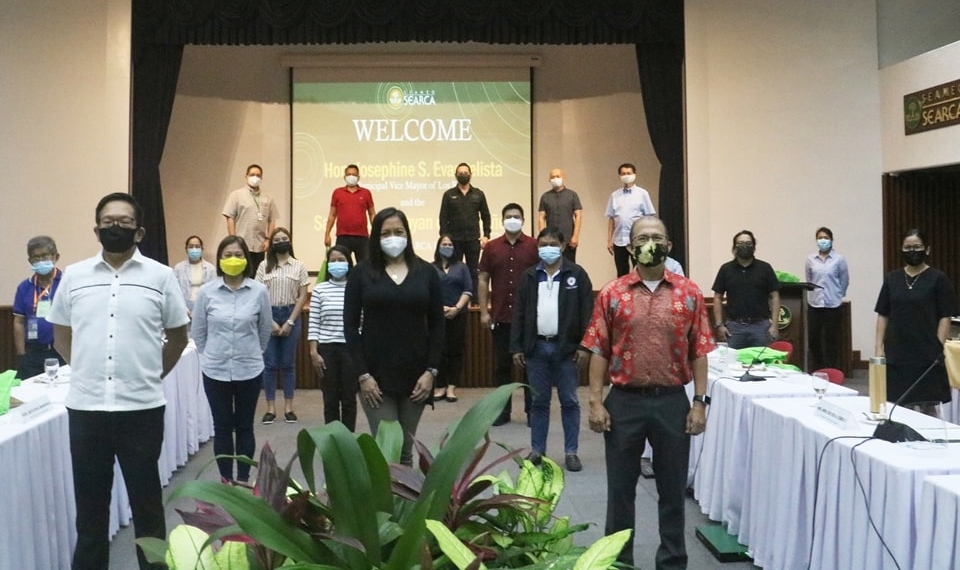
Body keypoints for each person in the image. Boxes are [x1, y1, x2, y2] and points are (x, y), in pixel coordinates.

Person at [47, 192, 190, 570]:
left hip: (141, 410)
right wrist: (86, 368)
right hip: (87, 410)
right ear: (96, 230)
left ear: (139, 231)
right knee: (90, 514)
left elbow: (177, 338)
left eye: (124, 222)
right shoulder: (75, 276)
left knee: (147, 507)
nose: (115, 227)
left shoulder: (161, 276)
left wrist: (149, 373)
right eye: (108, 222)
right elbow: (62, 334)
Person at [583, 216, 712, 569]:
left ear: (669, 245)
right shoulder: (612, 293)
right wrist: (595, 401)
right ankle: (618, 562)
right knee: (620, 494)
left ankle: (671, 562)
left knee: (672, 494)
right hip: (623, 402)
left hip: (672, 401)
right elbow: (599, 350)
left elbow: (699, 350)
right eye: (642, 237)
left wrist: (699, 403)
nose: (650, 243)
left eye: (657, 237)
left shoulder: (690, 293)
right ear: (630, 246)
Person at [344, 207, 444, 465]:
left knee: (406, 450)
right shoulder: (361, 273)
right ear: (376, 237)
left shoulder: (427, 272)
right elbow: (350, 326)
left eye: (398, 232)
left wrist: (431, 372)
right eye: (385, 233)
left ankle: (405, 505)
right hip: (374, 376)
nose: (393, 237)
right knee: (387, 449)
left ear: (408, 234)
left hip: (417, 375)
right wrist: (363, 375)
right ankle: (384, 504)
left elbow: (437, 325)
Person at [510, 227, 593, 472]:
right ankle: (537, 450)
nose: (547, 248)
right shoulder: (529, 276)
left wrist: (585, 346)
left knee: (569, 401)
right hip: (536, 349)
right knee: (538, 402)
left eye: (552, 244)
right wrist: (516, 347)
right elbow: (519, 314)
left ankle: (571, 452)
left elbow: (588, 314)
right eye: (542, 244)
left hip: (567, 350)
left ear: (563, 245)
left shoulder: (577, 275)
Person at [192, 236, 272, 482]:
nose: (233, 259)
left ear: (246, 259)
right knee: (223, 428)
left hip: (249, 369)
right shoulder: (207, 292)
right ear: (219, 259)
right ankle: (227, 482)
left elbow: (264, 329)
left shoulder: (259, 291)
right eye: (227, 255)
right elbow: (199, 331)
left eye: (238, 254)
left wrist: (251, 352)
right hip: (215, 371)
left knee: (245, 426)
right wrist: (211, 356)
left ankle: (244, 480)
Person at [874, 228, 956, 416]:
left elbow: (946, 315)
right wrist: (879, 348)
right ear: (901, 250)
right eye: (907, 247)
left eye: (917, 247)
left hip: (926, 351)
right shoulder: (892, 278)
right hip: (897, 350)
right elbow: (882, 314)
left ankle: (930, 441)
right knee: (897, 402)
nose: (912, 251)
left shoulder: (938, 279)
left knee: (927, 402)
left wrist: (938, 345)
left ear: (927, 250)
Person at [478, 203, 540, 426]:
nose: (512, 219)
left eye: (516, 216)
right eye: (508, 216)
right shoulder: (492, 247)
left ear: (523, 220)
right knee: (501, 367)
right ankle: (502, 412)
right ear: (502, 220)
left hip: (529, 319)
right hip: (501, 317)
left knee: (530, 368)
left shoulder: (534, 245)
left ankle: (533, 412)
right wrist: (484, 311)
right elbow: (483, 278)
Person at [256, 227, 310, 424]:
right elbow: (258, 295)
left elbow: (303, 295)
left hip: (291, 315)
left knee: (288, 365)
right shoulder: (264, 266)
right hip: (268, 315)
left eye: (284, 238)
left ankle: (288, 407)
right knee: (269, 365)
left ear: (290, 241)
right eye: (277, 239)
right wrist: (269, 321)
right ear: (272, 244)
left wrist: (289, 321)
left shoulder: (299, 266)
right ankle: (270, 408)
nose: (281, 242)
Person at [308, 245, 357, 430]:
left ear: (349, 263)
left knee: (349, 398)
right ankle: (333, 438)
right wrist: (313, 351)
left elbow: (361, 322)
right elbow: (313, 322)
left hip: (350, 349)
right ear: (328, 265)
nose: (337, 264)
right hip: (326, 350)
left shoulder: (355, 288)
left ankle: (349, 439)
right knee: (330, 398)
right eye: (333, 261)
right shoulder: (320, 289)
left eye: (341, 260)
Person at [711, 230, 781, 349]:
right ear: (734, 248)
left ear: (754, 247)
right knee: (733, 365)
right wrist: (719, 325)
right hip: (734, 327)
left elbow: (775, 296)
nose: (745, 246)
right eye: (741, 243)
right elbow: (717, 298)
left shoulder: (765, 268)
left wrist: (774, 325)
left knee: (762, 365)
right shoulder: (726, 269)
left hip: (761, 327)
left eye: (748, 243)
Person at [13, 235, 66, 380]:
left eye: (45, 256)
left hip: (63, 352)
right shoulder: (24, 287)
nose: (41, 261)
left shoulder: (67, 282)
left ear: (55, 257)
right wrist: (22, 355)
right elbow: (18, 322)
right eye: (36, 258)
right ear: (30, 261)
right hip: (33, 353)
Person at [438, 162, 492, 295]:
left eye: (465, 173)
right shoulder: (449, 194)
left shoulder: (478, 194)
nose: (463, 175)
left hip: (473, 239)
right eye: (460, 173)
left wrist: (486, 235)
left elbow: (486, 216)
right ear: (456, 175)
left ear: (470, 175)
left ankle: (474, 301)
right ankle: (455, 297)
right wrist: (444, 237)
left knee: (473, 270)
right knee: (454, 270)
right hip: (454, 240)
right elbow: (443, 217)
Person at [431, 235, 473, 403]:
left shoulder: (461, 267)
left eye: (450, 244)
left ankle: (451, 387)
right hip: (436, 315)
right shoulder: (430, 267)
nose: (447, 247)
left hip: (457, 314)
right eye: (444, 244)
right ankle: (440, 385)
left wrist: (456, 308)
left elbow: (468, 289)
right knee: (438, 350)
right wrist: (439, 308)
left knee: (456, 351)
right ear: (438, 246)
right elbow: (427, 291)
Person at [805, 227, 850, 371]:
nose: (822, 240)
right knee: (814, 339)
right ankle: (819, 368)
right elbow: (809, 279)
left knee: (831, 340)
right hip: (815, 304)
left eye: (826, 237)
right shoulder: (810, 259)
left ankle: (831, 370)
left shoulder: (839, 259)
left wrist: (837, 295)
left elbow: (844, 281)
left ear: (831, 240)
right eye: (820, 238)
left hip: (833, 304)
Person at [223, 163, 280, 270]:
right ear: (246, 176)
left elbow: (272, 220)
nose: (255, 177)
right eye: (252, 174)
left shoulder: (268, 198)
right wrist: (233, 240)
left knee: (257, 277)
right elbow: (230, 218)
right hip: (242, 244)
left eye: (258, 175)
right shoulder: (236, 195)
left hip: (260, 246)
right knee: (242, 275)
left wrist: (268, 240)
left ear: (262, 177)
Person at [605, 162, 656, 276]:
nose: (626, 175)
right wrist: (609, 240)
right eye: (623, 173)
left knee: (639, 271)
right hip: (619, 241)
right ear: (619, 176)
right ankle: (623, 294)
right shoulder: (615, 195)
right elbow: (612, 219)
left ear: (634, 175)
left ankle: (639, 294)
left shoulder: (642, 194)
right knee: (621, 272)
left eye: (629, 173)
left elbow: (649, 218)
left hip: (637, 240)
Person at [324, 164, 376, 263]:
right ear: (344, 177)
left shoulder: (366, 193)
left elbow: (372, 214)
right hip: (343, 236)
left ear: (358, 177)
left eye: (354, 174)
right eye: (349, 174)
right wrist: (327, 234)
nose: (351, 176)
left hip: (362, 237)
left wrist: (377, 231)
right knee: (342, 265)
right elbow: (332, 215)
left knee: (365, 267)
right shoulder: (337, 192)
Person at [537, 168, 583, 262]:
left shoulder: (572, 195)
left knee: (569, 266)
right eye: (553, 177)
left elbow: (578, 216)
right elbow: (541, 217)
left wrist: (575, 236)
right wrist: (543, 237)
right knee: (551, 264)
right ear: (549, 180)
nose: (555, 179)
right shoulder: (545, 196)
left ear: (564, 178)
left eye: (558, 176)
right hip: (551, 241)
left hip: (568, 240)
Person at [172, 235, 216, 318]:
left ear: (202, 249)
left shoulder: (211, 269)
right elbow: (175, 292)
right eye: (191, 247)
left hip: (205, 310)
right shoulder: (178, 268)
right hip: (184, 311)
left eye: (197, 246)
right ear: (186, 249)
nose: (194, 249)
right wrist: (185, 311)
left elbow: (213, 293)